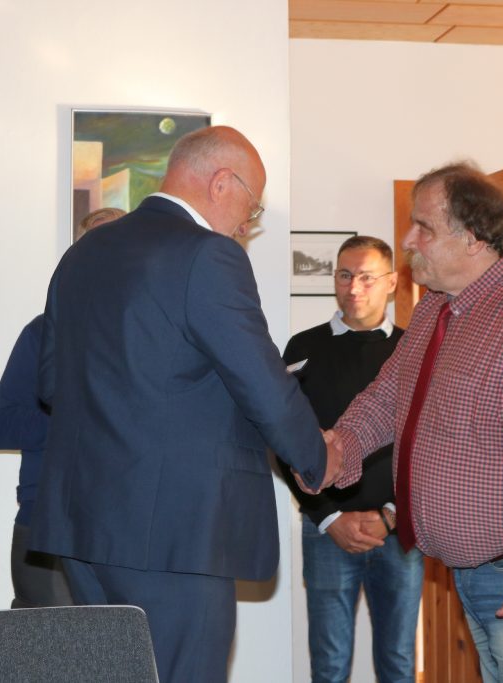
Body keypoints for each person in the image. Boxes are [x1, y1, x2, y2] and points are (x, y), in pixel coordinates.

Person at [31, 125, 340, 683]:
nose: (248, 224)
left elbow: (53, 385)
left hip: (84, 525)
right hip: (174, 528)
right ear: (221, 183)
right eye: (252, 206)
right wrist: (316, 457)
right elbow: (262, 384)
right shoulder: (208, 255)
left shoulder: (82, 255)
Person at [326, 162, 503, 682]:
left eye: (424, 227)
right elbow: (390, 394)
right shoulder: (437, 306)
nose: (408, 240)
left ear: (474, 238)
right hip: (482, 566)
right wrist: (340, 447)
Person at [280, 235, 424, 683]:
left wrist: (391, 516)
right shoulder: (302, 348)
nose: (353, 287)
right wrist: (328, 517)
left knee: (399, 663)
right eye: (344, 275)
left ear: (392, 282)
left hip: (398, 531)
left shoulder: (414, 351)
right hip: (326, 530)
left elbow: (429, 446)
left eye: (366, 277)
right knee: (329, 666)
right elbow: (286, 442)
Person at [0, 207, 126, 609]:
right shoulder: (41, 332)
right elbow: (3, 427)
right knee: (50, 647)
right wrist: (81, 420)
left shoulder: (159, 334)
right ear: (76, 258)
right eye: (95, 247)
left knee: (127, 646)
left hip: (130, 526)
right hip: (48, 523)